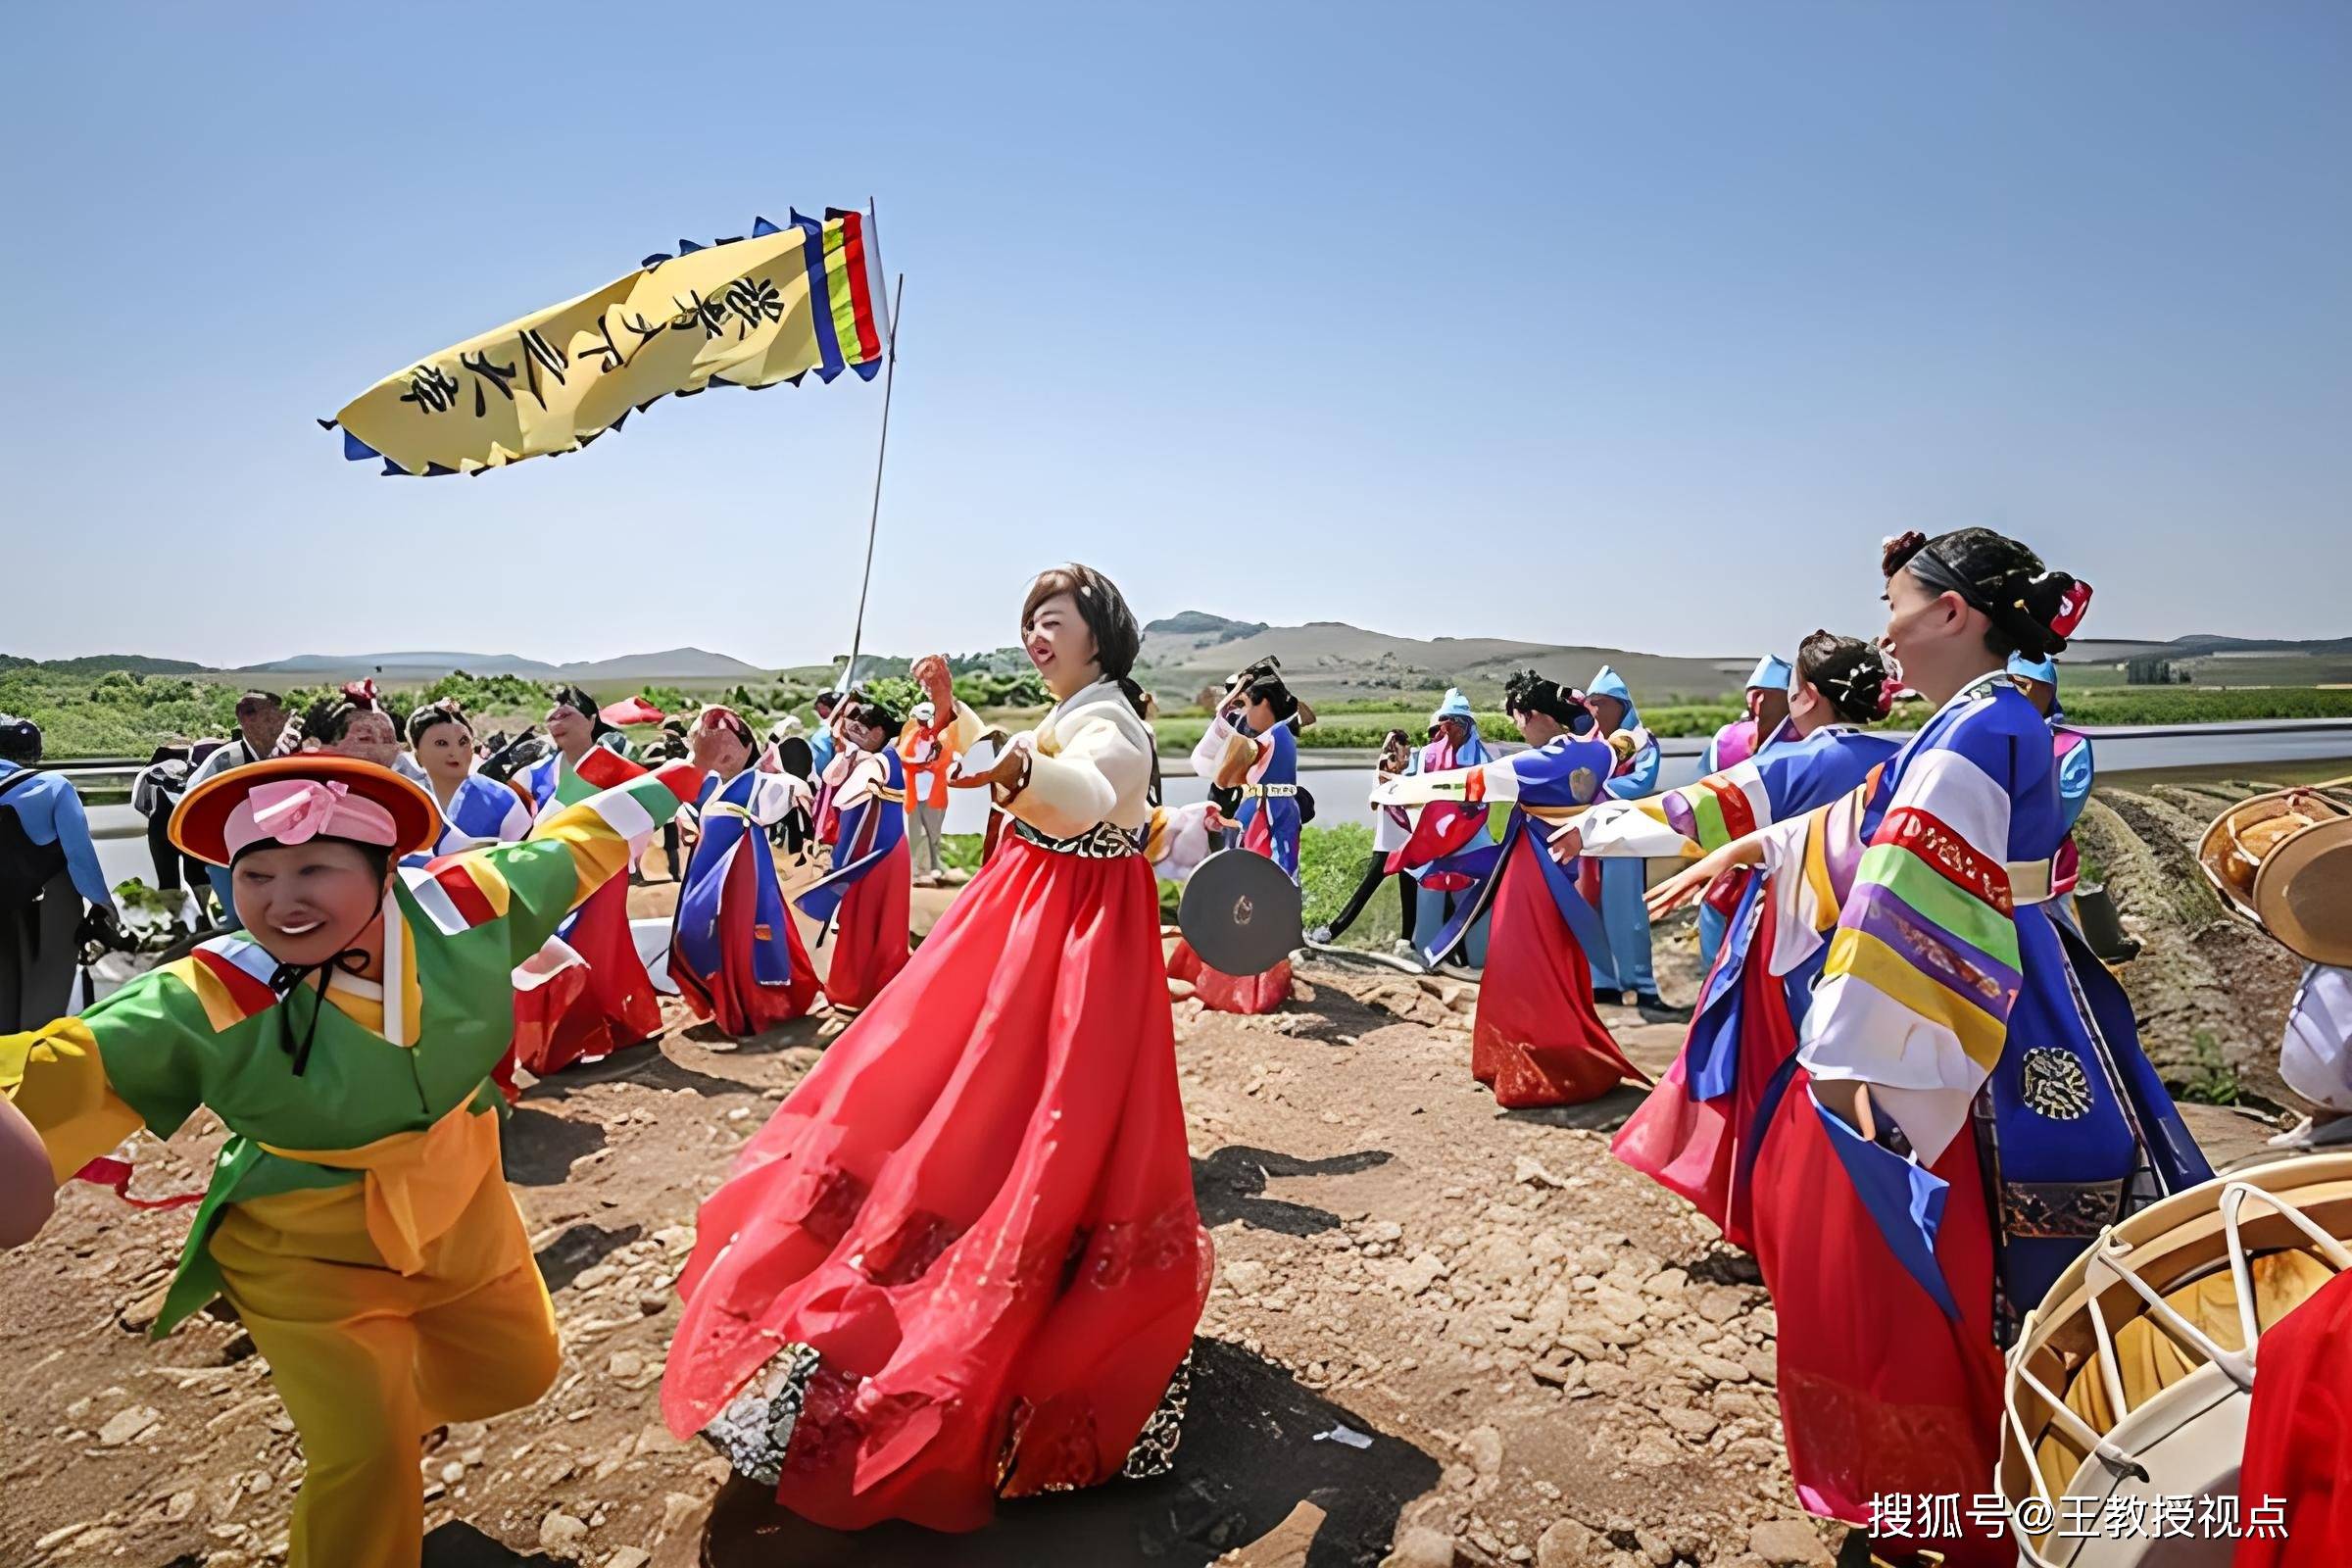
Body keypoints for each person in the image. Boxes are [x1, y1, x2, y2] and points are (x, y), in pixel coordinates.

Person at [1, 751, 702, 1568]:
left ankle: (393, 1402)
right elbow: (71, 1066)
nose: (281, 900)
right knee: (366, 1459)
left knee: (521, 1367)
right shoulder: (207, 993)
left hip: (460, 1198)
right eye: (254, 874)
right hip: (303, 1247)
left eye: (314, 869)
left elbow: (572, 844)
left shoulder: (465, 909)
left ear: (387, 868)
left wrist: (673, 779)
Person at [1656, 528, 2209, 1564]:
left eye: (1896, 602)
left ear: (1954, 613)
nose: (1885, 630)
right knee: (2023, 1248)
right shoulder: (1987, 717)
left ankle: (1964, 1487)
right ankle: (2029, 1473)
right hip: (2037, 979)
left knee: (1931, 1247)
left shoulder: (1969, 734)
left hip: (1976, 997)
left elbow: (1903, 894)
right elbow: (1868, 817)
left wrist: (1853, 1059)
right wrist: (1752, 844)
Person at [663, 564, 1209, 1532]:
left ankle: (996, 1351)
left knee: (1023, 1112)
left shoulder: (1110, 720)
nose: (1038, 633)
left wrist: (1023, 775)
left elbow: (1087, 791)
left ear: (1102, 631)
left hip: (1066, 949)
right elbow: (1045, 780)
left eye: (1055, 618)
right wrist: (964, 724)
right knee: (985, 1098)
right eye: (1029, 620)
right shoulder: (1080, 707)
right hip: (1039, 932)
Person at [1581, 633, 1901, 1247]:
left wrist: (1591, 830)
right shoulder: (1906, 756)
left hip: (1794, 934)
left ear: (1804, 697)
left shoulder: (1796, 763)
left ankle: (1781, 1205)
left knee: (1776, 1063)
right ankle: (1866, 1211)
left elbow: (1689, 811)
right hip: (1885, 935)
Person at [1379, 672, 1642, 1106]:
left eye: (1519, 719)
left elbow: (1466, 782)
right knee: (1559, 957)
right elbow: (1626, 744)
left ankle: (1532, 1062)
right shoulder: (1596, 752)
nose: (1519, 728)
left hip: (1530, 872)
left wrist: (1396, 789)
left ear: (1533, 714)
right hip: (1568, 868)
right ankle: (1568, 1049)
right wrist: (1628, 741)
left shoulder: (1534, 765)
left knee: (1522, 963)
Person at [510, 686, 663, 1077]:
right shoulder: (534, 773)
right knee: (558, 945)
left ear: (592, 721)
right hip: (551, 872)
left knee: (592, 944)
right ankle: (581, 1027)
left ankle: (593, 1030)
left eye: (567, 715)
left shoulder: (616, 770)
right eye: (553, 716)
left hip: (603, 871)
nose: (556, 722)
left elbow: (649, 806)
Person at [668, 705, 821, 1037]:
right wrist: (685, 818)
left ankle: (747, 1005)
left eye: (728, 742)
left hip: (741, 877)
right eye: (710, 743)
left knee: (739, 939)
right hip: (705, 873)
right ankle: (722, 998)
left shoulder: (764, 782)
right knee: (696, 933)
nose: (720, 750)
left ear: (748, 745)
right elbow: (685, 807)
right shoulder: (708, 785)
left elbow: (801, 788)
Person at [1168, 669, 1308, 1012]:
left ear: (1264, 703)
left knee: (1253, 890)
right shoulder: (1281, 735)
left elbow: (1219, 772)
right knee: (1257, 888)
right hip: (1266, 812)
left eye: (1247, 704)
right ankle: (1253, 973)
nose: (1243, 713)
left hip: (1266, 816)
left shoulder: (1265, 740)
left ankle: (1242, 982)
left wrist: (1225, 716)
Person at [795, 695, 914, 1012]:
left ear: (881, 732)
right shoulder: (886, 757)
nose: (858, 730)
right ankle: (883, 987)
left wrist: (842, 864)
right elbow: (834, 779)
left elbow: (851, 807)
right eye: (856, 724)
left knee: (860, 921)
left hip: (872, 852)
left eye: (866, 727)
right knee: (884, 923)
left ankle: (853, 991)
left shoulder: (875, 763)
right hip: (890, 850)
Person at [1, 716, 120, 1031]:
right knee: (37, 1010)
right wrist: (103, 906)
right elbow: (80, 859)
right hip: (36, 911)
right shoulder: (52, 787)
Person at [1583, 665, 1680, 1020]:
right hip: (1589, 837)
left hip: (1624, 837)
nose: (1594, 709)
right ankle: (1602, 980)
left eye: (1601, 702)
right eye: (1591, 702)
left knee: (1628, 912)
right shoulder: (1587, 743)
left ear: (1620, 705)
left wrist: (1597, 791)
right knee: (1590, 907)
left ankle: (1642, 985)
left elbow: (1643, 779)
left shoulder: (1641, 740)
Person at [1696, 655, 1796, 971]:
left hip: (1731, 855)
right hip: (1780, 859)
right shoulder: (1807, 739)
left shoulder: (1726, 739)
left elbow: (1701, 797)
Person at [1392, 690, 1495, 973]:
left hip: (1471, 837)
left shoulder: (1481, 757)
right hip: (1434, 838)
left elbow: (1489, 793)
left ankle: (1480, 960)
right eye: (1447, 721)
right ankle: (1427, 957)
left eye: (1458, 722)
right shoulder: (1424, 756)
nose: (1451, 728)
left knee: (1474, 898)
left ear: (1468, 725)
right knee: (1430, 894)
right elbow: (1408, 790)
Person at [186, 690, 293, 928]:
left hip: (284, 851)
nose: (277, 725)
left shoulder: (293, 756)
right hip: (231, 856)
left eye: (280, 718)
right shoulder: (224, 761)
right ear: (245, 719)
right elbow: (191, 803)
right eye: (269, 719)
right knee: (240, 922)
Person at [1309, 727, 1418, 954]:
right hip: (1387, 844)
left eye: (1406, 753)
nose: (1403, 758)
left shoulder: (1413, 773)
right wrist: (1386, 776)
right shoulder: (1382, 772)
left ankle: (1407, 941)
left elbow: (1413, 801)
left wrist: (1401, 776)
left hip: (1408, 843)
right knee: (1364, 891)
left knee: (1411, 896)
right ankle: (1331, 931)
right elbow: (1374, 804)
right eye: (1398, 753)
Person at [2007, 652, 2094, 910]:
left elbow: (2065, 807)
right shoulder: (1988, 736)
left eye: (2020, 684)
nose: (2016, 692)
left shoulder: (2069, 745)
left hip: (2048, 870)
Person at [405, 700, 531, 858]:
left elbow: (524, 858)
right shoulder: (405, 799)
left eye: (463, 742)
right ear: (418, 754)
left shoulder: (502, 799)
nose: (455, 752)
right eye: (441, 743)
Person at [132, 743, 212, 926]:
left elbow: (140, 805)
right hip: (187, 828)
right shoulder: (193, 772)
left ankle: (172, 928)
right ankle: (209, 922)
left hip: (159, 828)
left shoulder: (152, 773)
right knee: (198, 876)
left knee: (168, 882)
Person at [898, 699, 958, 887]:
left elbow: (944, 760)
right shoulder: (912, 736)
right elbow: (902, 756)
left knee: (934, 833)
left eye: (925, 720)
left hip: (934, 793)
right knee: (915, 833)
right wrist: (919, 765)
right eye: (920, 720)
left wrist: (927, 765)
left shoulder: (943, 738)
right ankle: (914, 872)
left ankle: (936, 868)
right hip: (914, 793)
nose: (922, 724)